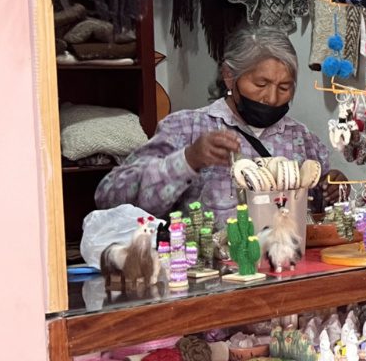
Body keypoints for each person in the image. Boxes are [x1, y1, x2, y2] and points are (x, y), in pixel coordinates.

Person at [96, 27, 330, 223]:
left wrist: (331, 191)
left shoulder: (301, 138)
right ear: (229, 76)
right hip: (210, 262)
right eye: (261, 84)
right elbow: (109, 197)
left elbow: (316, 211)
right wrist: (188, 160)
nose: (271, 98)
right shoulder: (186, 128)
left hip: (287, 262)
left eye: (284, 88)